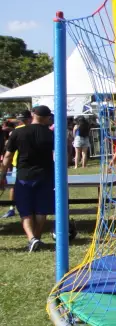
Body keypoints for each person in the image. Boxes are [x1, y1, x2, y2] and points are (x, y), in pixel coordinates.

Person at [0, 106, 55, 251]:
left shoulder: (18, 132)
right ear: (47, 118)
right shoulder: (51, 134)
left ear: (33, 115)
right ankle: (36, 238)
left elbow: (7, 156)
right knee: (41, 210)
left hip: (24, 176)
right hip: (45, 175)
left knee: (25, 211)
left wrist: (2, 175)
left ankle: (32, 238)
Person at [3, 111, 31, 219]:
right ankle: (20, 208)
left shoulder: (15, 131)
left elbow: (8, 151)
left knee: (15, 187)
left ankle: (12, 208)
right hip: (23, 163)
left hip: (18, 163)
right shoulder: (33, 129)